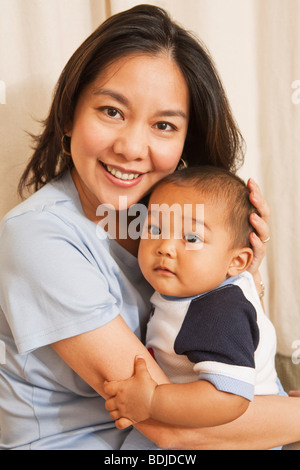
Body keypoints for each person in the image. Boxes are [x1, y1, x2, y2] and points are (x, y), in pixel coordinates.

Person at [0, 4, 300, 450]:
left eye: (163, 124)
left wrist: (239, 269)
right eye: (111, 111)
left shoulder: (177, 222)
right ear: (69, 116)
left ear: (184, 141)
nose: (132, 147)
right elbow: (165, 422)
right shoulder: (37, 236)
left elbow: (232, 354)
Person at [104, 167, 281, 435]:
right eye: (153, 228)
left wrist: (153, 401)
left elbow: (229, 397)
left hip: (232, 435)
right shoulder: (203, 288)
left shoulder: (219, 312)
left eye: (191, 238)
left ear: (237, 261)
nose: (165, 246)